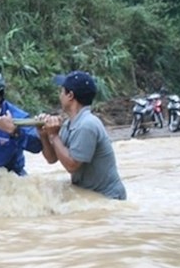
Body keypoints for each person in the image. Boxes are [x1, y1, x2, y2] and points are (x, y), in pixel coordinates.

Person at [38, 71, 126, 200]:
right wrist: (44, 135)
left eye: (62, 91)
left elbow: (72, 165)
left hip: (108, 197)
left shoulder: (87, 125)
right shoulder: (70, 123)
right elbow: (52, 159)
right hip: (90, 195)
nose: (59, 96)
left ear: (70, 96)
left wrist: (54, 136)